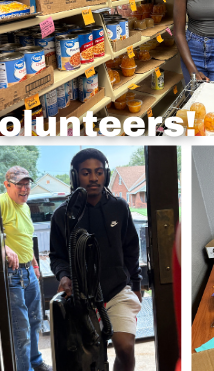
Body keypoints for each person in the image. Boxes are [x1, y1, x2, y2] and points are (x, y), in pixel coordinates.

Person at [49, 148, 141, 371]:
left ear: (106, 175)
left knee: (125, 347)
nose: (93, 178)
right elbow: (57, 257)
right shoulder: (62, 215)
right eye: (86, 172)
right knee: (85, 358)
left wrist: (136, 285)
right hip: (80, 297)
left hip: (117, 291)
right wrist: (64, 276)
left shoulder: (119, 207)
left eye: (99, 172)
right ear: (75, 176)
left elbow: (131, 249)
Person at [0, 166, 50, 371]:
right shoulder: (1, 202)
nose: (24, 189)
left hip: (29, 272)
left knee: (36, 321)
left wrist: (35, 264)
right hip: (12, 274)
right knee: (21, 329)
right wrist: (4, 247)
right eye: (19, 184)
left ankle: (35, 362)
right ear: (7, 185)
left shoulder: (26, 207)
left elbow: (26, 239)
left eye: (27, 184)